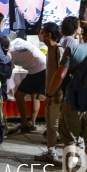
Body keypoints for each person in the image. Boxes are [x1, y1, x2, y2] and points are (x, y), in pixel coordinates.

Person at [44, 23, 87, 172]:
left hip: (74, 102)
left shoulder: (74, 50)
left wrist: (50, 94)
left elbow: (60, 75)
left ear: (82, 34)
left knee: (69, 140)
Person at [31, 22, 64, 163]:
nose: (40, 35)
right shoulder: (50, 50)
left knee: (57, 125)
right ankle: (51, 153)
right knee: (50, 125)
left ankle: (74, 154)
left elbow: (62, 73)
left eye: (42, 32)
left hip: (57, 96)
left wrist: (58, 93)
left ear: (48, 35)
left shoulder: (59, 50)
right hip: (49, 95)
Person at [0, 37, 46, 133]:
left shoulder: (10, 54)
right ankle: (32, 123)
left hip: (37, 69)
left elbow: (8, 74)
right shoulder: (16, 40)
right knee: (35, 95)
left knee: (19, 95)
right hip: (43, 64)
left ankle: (25, 124)